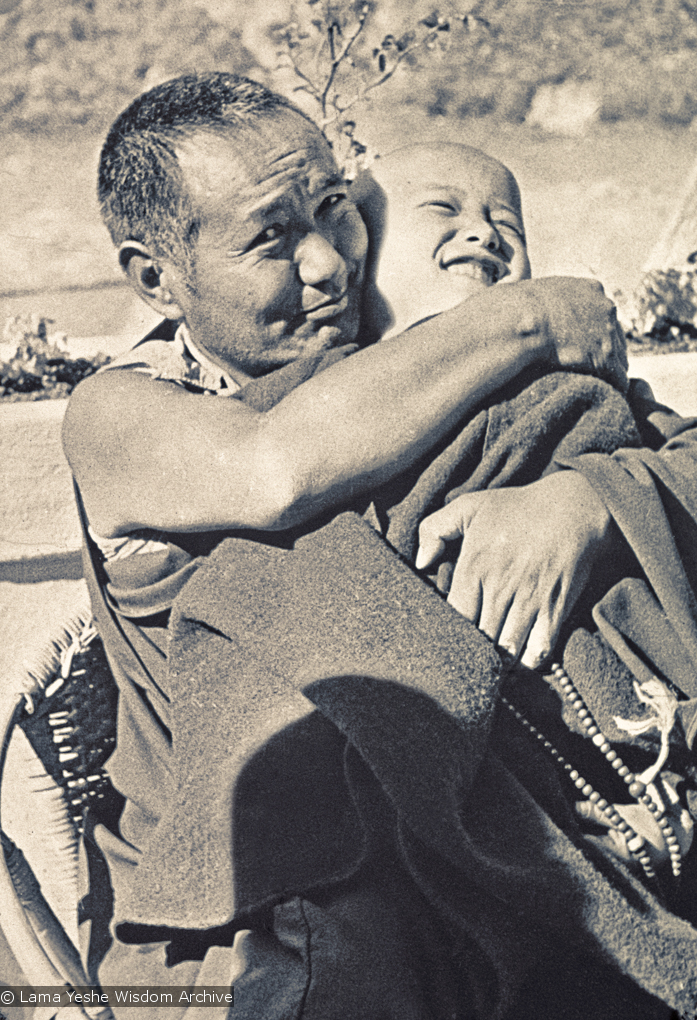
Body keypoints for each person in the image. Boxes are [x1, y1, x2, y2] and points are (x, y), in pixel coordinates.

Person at [62, 73, 695, 1017]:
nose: (327, 263)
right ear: (158, 277)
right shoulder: (121, 410)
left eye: (333, 208)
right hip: (277, 905)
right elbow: (276, 468)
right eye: (272, 237)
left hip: (555, 826)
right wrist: (526, 313)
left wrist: (587, 501)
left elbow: (665, 445)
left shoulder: (408, 362)